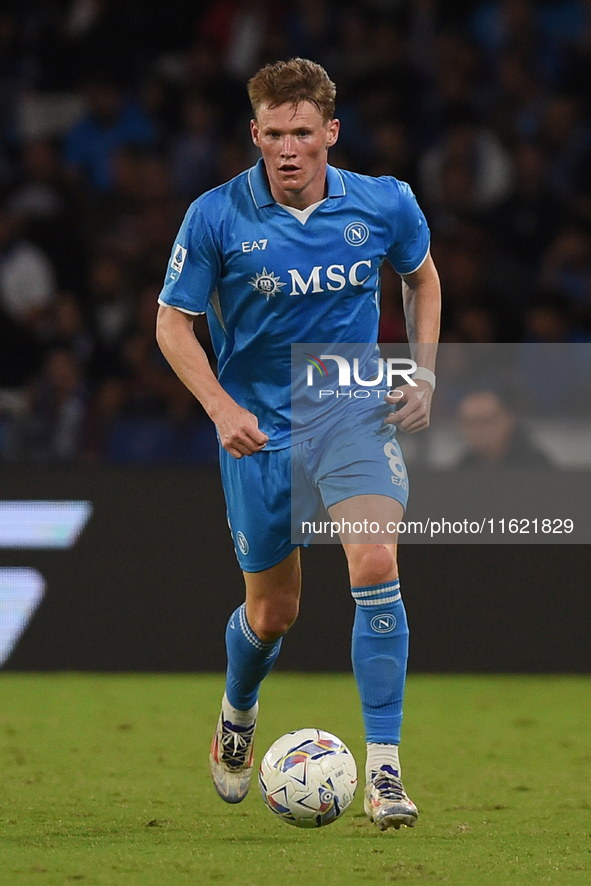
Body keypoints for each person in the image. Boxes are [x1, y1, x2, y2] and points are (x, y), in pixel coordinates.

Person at [156, 58, 441, 832]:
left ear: (330, 134)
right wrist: (218, 408)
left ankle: (383, 774)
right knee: (273, 612)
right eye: (274, 134)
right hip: (258, 430)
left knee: (375, 559)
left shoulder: (384, 202)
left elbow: (420, 277)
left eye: (303, 134)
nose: (288, 149)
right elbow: (171, 324)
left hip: (348, 406)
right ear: (254, 134)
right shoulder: (215, 216)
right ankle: (237, 712)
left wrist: (419, 372)